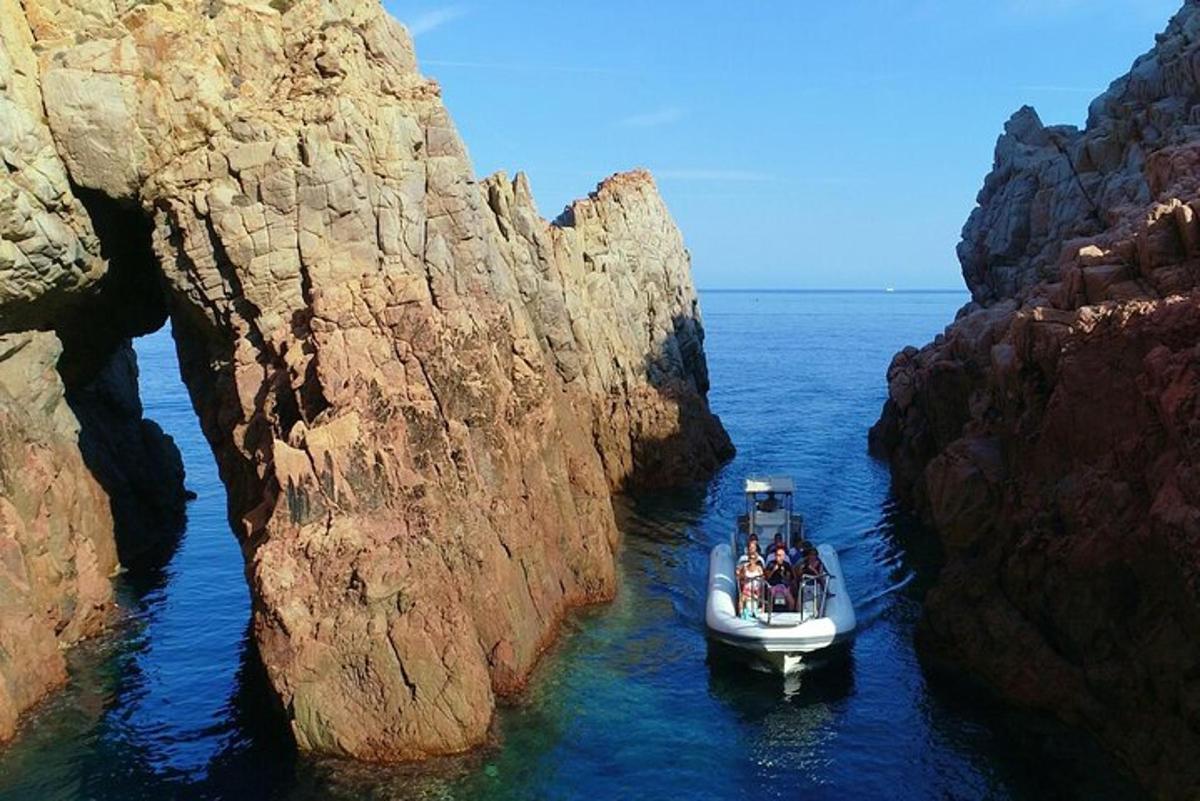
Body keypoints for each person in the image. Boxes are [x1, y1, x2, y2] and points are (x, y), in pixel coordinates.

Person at [764, 544, 795, 611]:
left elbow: (790, 579)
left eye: (782, 555)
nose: (780, 557)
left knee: (791, 602)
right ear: (775, 556)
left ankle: (789, 614)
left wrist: (784, 574)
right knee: (769, 601)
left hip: (784, 586)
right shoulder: (770, 564)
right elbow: (767, 577)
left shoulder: (786, 565)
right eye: (778, 555)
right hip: (773, 586)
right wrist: (773, 570)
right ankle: (768, 614)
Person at [739, 552, 765, 619]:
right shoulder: (745, 567)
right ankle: (741, 613)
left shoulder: (759, 568)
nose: (752, 560)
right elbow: (741, 577)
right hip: (747, 588)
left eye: (753, 559)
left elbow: (762, 578)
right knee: (742, 599)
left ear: (756, 560)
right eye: (750, 558)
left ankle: (761, 613)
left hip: (756, 588)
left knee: (762, 597)